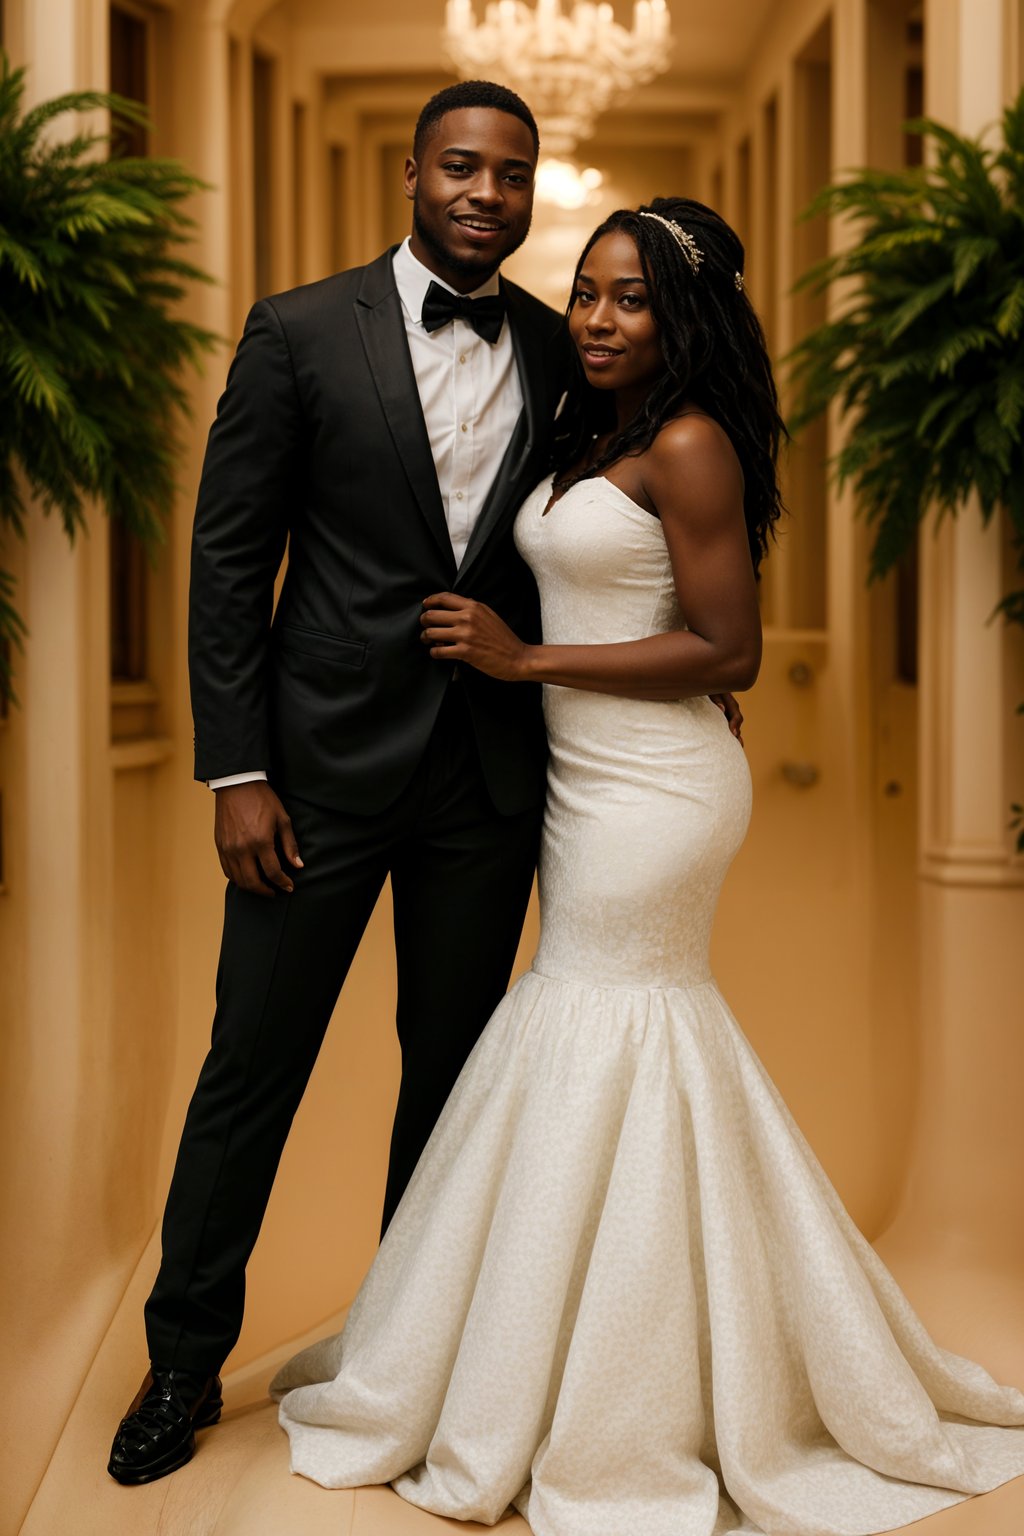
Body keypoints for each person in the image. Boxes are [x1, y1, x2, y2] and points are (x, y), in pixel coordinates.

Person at [270, 200, 1024, 1536]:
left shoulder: (689, 442)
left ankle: (620, 1396)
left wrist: (527, 658)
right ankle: (594, 1357)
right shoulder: (592, 428)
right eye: (588, 293)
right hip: (582, 778)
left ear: (687, 319)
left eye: (632, 300)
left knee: (602, 1019)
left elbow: (728, 650)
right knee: (616, 1037)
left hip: (656, 792)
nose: (600, 320)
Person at [106, 79, 579, 1488]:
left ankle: (411, 1359)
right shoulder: (302, 330)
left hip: (485, 784)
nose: (484, 194)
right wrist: (238, 770)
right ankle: (182, 1363)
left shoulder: (563, 353)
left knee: (451, 1080)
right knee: (253, 1067)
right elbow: (229, 558)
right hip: (310, 781)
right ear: (415, 174)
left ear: (530, 190)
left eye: (510, 174)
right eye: (459, 168)